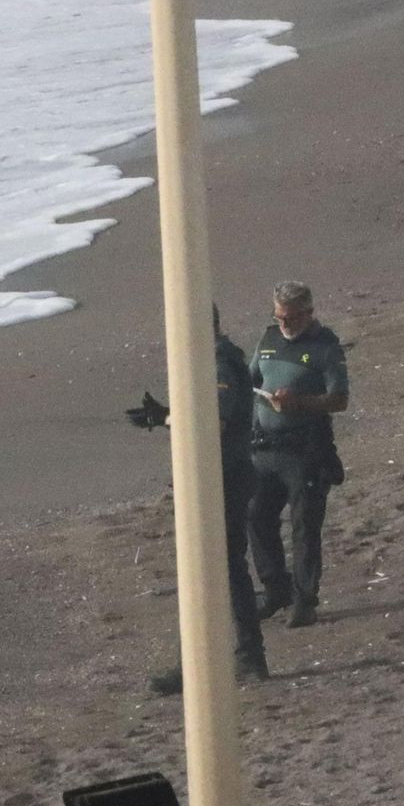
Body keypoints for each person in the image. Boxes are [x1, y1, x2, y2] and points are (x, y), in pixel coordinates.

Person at [140, 304, 270, 694]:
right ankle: (212, 660)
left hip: (223, 479)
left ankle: (241, 657)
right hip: (216, 476)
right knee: (215, 569)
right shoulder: (207, 361)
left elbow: (214, 423)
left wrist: (167, 419)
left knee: (221, 568)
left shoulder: (219, 364)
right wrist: (167, 414)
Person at [248, 282, 349, 628]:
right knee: (256, 515)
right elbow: (250, 381)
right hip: (265, 447)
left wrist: (299, 403)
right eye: (279, 318)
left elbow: (339, 399)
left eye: (290, 319)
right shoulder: (268, 339)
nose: (284, 325)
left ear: (308, 313)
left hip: (306, 450)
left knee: (305, 527)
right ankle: (277, 588)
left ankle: (305, 599)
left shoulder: (325, 346)